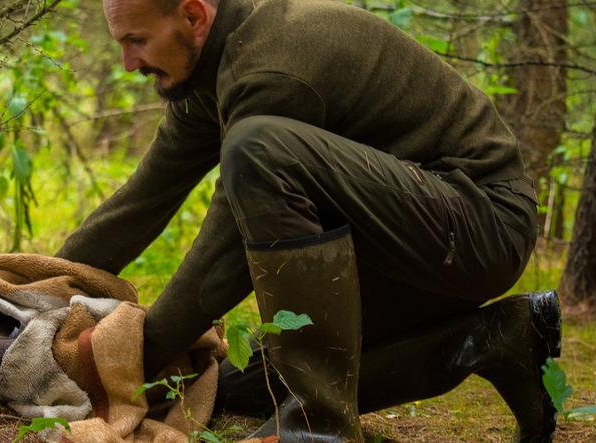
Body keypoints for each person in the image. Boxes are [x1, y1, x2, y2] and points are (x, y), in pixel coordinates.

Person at [55, 0, 562, 441]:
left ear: (192, 16)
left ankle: (320, 431)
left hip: (479, 222)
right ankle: (495, 340)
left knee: (258, 147)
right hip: (403, 242)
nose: (127, 64)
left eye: (137, 40)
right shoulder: (205, 74)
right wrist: (26, 283)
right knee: (249, 387)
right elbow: (143, 199)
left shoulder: (271, 69)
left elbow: (224, 254)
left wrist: (129, 358)